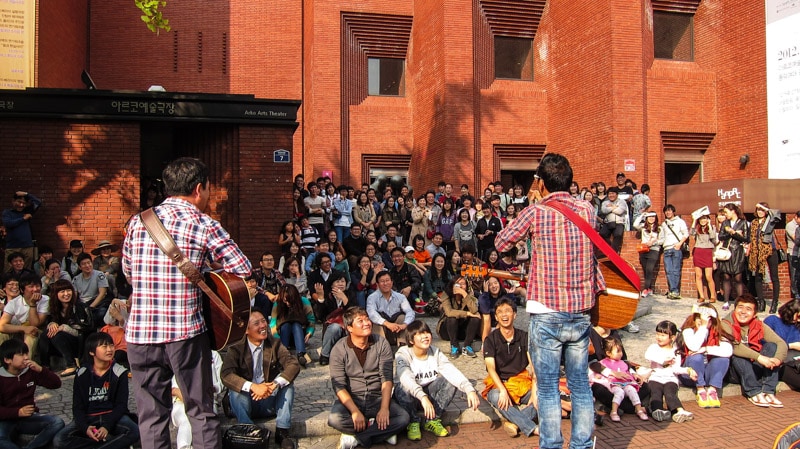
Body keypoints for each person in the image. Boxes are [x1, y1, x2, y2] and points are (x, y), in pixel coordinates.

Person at [122, 157, 252, 449]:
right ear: (198, 189)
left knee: (152, 416)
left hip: (141, 335)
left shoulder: (138, 221)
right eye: (208, 190)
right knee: (201, 412)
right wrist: (205, 271)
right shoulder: (203, 223)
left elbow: (128, 274)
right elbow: (242, 268)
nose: (208, 196)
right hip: (185, 333)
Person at [495, 153, 601, 449]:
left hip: (546, 310)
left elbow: (501, 242)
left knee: (549, 387)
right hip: (580, 309)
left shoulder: (536, 212)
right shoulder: (587, 209)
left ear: (540, 181)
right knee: (580, 384)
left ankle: (552, 444)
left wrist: (532, 204)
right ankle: (582, 444)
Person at [327, 307, 410, 449]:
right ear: (349, 328)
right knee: (334, 419)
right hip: (353, 399)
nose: (366, 323)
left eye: (367, 319)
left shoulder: (381, 343)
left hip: (377, 398)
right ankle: (380, 431)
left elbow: (387, 379)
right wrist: (354, 411)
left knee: (403, 418)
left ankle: (358, 437)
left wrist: (384, 408)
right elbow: (339, 386)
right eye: (360, 321)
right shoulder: (339, 349)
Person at [221, 310, 300, 449]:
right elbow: (226, 374)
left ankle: (282, 431)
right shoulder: (236, 348)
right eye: (256, 323)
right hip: (246, 401)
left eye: (263, 321)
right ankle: (249, 432)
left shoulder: (274, 343)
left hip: (268, 398)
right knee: (235, 390)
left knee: (287, 383)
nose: (263, 326)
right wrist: (253, 387)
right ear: (246, 330)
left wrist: (274, 384)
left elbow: (293, 364)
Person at [394, 320, 479, 441]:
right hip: (410, 397)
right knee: (402, 386)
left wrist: (469, 389)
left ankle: (433, 420)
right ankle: (413, 422)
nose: (425, 336)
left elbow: (450, 370)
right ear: (411, 340)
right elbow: (405, 377)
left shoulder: (435, 352)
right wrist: (422, 396)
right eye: (420, 334)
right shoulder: (403, 353)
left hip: (428, 395)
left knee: (449, 381)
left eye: (427, 332)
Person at [52, 332, 139, 449]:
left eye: (111, 346)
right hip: (89, 417)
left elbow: (121, 405)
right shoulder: (83, 373)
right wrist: (85, 428)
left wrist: (107, 426)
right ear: (92, 352)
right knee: (59, 440)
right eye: (104, 346)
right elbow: (78, 407)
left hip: (112, 416)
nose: (109, 349)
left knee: (135, 432)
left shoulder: (119, 372)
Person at [480, 297, 539, 439]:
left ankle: (515, 424)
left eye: (508, 311)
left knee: (543, 396)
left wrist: (534, 392)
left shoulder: (524, 336)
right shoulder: (490, 340)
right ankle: (533, 428)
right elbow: (491, 369)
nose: (504, 315)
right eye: (500, 312)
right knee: (494, 396)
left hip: (521, 382)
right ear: (496, 317)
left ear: (515, 314)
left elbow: (534, 367)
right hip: (500, 383)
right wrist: (502, 390)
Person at [725, 294, 787, 407]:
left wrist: (777, 360)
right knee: (738, 355)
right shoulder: (726, 323)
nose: (743, 311)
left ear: (755, 314)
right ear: (735, 309)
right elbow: (735, 346)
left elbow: (781, 343)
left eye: (748, 309)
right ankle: (754, 392)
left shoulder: (758, 324)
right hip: (735, 371)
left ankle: (768, 391)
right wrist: (760, 357)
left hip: (753, 366)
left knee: (772, 346)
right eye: (740, 307)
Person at [0, 338, 64, 448]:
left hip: (28, 419)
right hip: (5, 420)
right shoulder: (1, 378)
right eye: (21, 355)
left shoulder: (30, 371)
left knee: (57, 422)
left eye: (26, 353)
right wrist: (17, 412)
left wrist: (41, 370)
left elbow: (56, 384)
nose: (26, 357)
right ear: (7, 360)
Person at [677, 302, 733, 408]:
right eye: (699, 318)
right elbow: (694, 347)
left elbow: (728, 351)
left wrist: (706, 349)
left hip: (707, 374)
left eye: (707, 319)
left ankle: (712, 390)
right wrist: (703, 327)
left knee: (723, 359)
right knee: (696, 357)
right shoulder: (688, 331)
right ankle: (701, 390)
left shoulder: (716, 333)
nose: (702, 321)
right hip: (690, 375)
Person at [643, 321, 696, 423]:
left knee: (670, 393)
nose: (659, 337)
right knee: (655, 393)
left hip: (670, 378)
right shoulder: (653, 347)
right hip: (655, 377)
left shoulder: (676, 351)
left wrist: (688, 370)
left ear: (672, 337)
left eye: (663, 335)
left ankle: (679, 411)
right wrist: (663, 361)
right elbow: (648, 356)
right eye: (658, 334)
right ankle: (657, 410)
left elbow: (676, 369)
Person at [39, 279, 93, 377]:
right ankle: (45, 366)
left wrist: (64, 328)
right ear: (56, 294)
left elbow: (85, 330)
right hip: (61, 345)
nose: (66, 294)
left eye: (68, 290)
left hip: (79, 343)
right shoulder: (54, 308)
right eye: (62, 291)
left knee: (57, 334)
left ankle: (71, 365)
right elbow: (50, 322)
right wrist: (51, 324)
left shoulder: (80, 306)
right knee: (45, 334)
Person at [171, 350, 223, 449]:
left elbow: (222, 383)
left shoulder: (214, 355)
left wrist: (209, 388)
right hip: (182, 403)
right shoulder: (180, 354)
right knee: (187, 418)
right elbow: (174, 389)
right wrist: (191, 400)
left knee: (205, 421)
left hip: (208, 402)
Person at [589, 335, 648, 422]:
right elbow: (595, 367)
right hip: (614, 385)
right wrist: (604, 375)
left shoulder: (623, 362)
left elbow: (627, 368)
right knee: (618, 392)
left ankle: (639, 409)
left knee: (633, 389)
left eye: (621, 351)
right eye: (618, 351)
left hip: (626, 383)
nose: (621, 353)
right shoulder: (604, 362)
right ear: (608, 353)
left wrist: (635, 374)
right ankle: (614, 411)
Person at [0, 274, 49, 362]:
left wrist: (33, 304)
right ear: (22, 290)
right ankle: (3, 365)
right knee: (2, 334)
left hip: (38, 331)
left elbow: (35, 324)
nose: (35, 289)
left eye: (37, 286)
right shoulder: (14, 303)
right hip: (19, 330)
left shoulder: (45, 300)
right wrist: (23, 328)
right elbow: (2, 325)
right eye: (31, 286)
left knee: (31, 333)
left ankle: (25, 365)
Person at [269, 284, 315, 368]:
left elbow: (311, 319)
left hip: (300, 333)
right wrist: (276, 338)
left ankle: (301, 353)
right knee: (286, 325)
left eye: (290, 301)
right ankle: (283, 353)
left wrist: (309, 332)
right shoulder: (277, 304)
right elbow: (273, 323)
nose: (288, 303)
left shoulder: (304, 302)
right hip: (283, 335)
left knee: (296, 324)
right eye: (285, 301)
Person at [366, 271, 415, 347]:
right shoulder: (372, 297)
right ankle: (380, 346)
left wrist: (405, 324)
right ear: (377, 284)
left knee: (403, 317)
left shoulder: (400, 297)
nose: (385, 283)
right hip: (383, 327)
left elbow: (410, 311)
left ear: (392, 282)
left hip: (397, 329)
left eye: (387, 280)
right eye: (382, 281)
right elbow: (371, 313)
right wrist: (387, 324)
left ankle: (403, 344)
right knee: (375, 321)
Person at [749, 203, 782, 313]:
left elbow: (776, 213)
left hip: (769, 250)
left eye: (762, 210)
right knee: (758, 277)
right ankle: (761, 302)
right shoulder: (753, 223)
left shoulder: (770, 220)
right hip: (757, 252)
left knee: (774, 277)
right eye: (758, 209)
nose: (760, 212)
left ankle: (774, 302)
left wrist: (765, 208)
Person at [717, 203, 749, 311]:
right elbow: (720, 236)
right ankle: (726, 301)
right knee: (726, 277)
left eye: (726, 212)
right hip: (727, 251)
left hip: (737, 252)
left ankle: (740, 301)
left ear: (733, 211)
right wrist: (730, 233)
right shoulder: (725, 223)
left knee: (738, 278)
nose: (725, 215)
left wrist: (734, 233)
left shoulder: (743, 222)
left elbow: (746, 238)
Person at [439, 277, 481, 359]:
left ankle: (467, 345)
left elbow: (474, 310)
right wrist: (467, 313)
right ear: (453, 285)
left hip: (462, 329)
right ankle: (454, 346)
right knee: (452, 318)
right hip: (447, 329)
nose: (461, 286)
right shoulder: (446, 295)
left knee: (475, 318)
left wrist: (464, 294)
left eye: (463, 284)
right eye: (458, 284)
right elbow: (449, 312)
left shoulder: (468, 295)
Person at [764, 299, 800, 390]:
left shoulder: (798, 326)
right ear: (791, 311)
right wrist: (791, 346)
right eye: (798, 316)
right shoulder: (773, 321)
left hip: (796, 361)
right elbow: (766, 344)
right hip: (781, 363)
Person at [2, 192, 42, 272]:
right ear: (13, 201)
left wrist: (26, 194)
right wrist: (23, 219)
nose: (21, 205)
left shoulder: (27, 211)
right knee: (8, 270)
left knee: (26, 270)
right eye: (19, 202)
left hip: (27, 246)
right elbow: (8, 223)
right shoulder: (7, 212)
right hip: (12, 247)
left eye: (24, 203)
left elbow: (38, 202)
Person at [658, 204, 689, 300]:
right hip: (667, 249)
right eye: (666, 211)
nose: (668, 212)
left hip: (676, 248)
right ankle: (672, 290)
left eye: (670, 210)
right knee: (669, 271)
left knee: (676, 270)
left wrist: (679, 244)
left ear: (673, 211)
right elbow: (662, 238)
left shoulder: (680, 221)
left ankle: (675, 291)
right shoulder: (664, 224)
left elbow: (686, 234)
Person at [72, 253, 110, 327]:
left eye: (88, 263)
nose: (87, 266)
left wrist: (90, 308)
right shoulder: (76, 279)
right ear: (79, 267)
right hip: (82, 305)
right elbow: (74, 296)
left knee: (101, 313)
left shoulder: (100, 275)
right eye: (83, 264)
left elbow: (102, 294)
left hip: (97, 304)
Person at [690, 213, 717, 302]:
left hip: (707, 252)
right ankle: (701, 296)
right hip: (698, 251)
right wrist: (694, 220)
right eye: (701, 219)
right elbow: (692, 233)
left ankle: (713, 296)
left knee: (708, 276)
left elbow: (713, 238)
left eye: (705, 218)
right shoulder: (697, 228)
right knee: (699, 275)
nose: (703, 221)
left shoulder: (711, 227)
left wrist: (709, 225)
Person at [633, 212, 660, 298]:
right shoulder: (643, 228)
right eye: (649, 217)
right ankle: (650, 288)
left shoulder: (659, 228)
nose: (651, 218)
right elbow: (635, 224)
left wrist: (653, 242)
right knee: (645, 270)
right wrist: (642, 215)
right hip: (643, 250)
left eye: (653, 217)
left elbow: (662, 240)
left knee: (649, 269)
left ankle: (645, 289)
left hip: (654, 250)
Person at [598, 187, 627, 254]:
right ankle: (610, 248)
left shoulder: (622, 201)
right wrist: (614, 207)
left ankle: (614, 252)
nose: (611, 195)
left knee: (618, 234)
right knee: (602, 233)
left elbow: (620, 211)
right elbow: (604, 210)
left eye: (613, 193)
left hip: (619, 222)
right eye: (609, 194)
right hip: (608, 222)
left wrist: (610, 207)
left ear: (616, 194)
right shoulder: (605, 202)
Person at [478, 277, 505, 342]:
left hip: (499, 326)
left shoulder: (504, 296)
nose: (493, 286)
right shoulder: (483, 296)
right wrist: (485, 293)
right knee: (486, 316)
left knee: (503, 316)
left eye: (495, 283)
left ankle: (497, 343)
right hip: (485, 328)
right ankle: (485, 344)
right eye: (490, 284)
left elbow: (512, 310)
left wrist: (511, 295)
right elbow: (485, 310)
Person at [786, 211, 800, 299]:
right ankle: (796, 294)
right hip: (793, 253)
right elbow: (796, 240)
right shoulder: (791, 225)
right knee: (795, 275)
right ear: (796, 217)